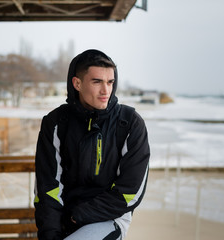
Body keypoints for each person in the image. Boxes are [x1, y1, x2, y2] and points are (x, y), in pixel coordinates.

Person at [34, 49, 150, 240]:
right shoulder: (55, 122)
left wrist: (77, 217)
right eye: (97, 82)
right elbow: (47, 186)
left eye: (110, 82)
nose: (106, 91)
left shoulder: (130, 123)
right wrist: (51, 232)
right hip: (62, 218)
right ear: (77, 83)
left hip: (109, 219)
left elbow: (131, 192)